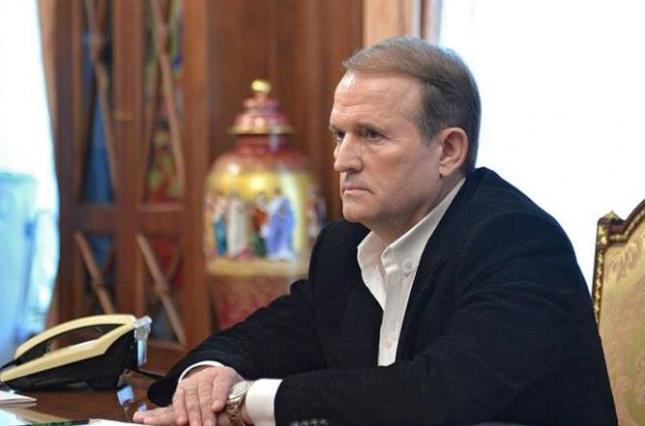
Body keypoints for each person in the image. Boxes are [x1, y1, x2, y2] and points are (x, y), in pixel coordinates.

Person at [134, 37, 616, 426]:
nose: (342, 160)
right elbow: (265, 338)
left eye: (371, 135)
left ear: (448, 150)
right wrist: (208, 378)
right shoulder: (346, 244)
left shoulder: (516, 242)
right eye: (339, 135)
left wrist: (247, 401)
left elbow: (431, 396)